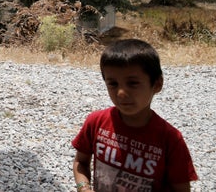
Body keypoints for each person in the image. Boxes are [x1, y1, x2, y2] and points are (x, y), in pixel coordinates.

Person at [72, 39, 198, 191]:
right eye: (113, 84)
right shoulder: (96, 121)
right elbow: (81, 162)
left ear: (157, 84)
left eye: (132, 83)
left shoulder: (170, 139)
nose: (121, 93)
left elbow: (181, 188)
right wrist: (83, 188)